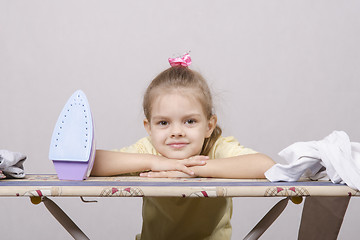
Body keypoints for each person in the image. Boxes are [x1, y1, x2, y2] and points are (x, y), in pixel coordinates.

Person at [91, 53, 275, 240]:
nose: (177, 131)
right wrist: (153, 162)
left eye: (189, 121)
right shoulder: (150, 150)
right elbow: (90, 163)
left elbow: (266, 166)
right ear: (149, 128)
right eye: (163, 123)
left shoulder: (216, 148)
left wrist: (193, 169)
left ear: (209, 126)